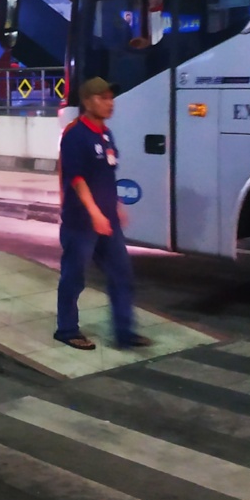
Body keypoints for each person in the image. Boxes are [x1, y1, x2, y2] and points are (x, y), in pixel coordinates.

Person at [53, 77, 151, 352]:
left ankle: (124, 332)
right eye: (102, 98)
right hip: (81, 223)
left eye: (110, 97)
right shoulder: (75, 134)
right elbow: (77, 179)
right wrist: (95, 213)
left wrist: (116, 206)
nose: (110, 103)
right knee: (74, 277)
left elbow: (107, 174)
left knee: (122, 275)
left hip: (107, 222)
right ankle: (67, 329)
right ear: (87, 102)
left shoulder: (105, 134)